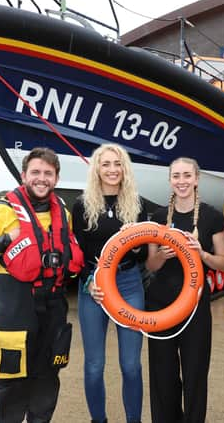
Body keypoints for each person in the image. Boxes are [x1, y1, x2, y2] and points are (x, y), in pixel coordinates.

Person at [0, 147, 84, 423]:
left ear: (56, 178)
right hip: (15, 304)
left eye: (48, 173)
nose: (41, 179)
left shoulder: (62, 213)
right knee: (12, 381)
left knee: (47, 378)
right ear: (23, 175)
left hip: (53, 304)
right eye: (36, 172)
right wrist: (1, 243)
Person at [144, 157, 224, 423]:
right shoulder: (158, 218)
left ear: (196, 178)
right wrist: (163, 255)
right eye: (176, 176)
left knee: (195, 374)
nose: (181, 181)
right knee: (163, 375)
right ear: (170, 180)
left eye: (186, 176)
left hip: (195, 307)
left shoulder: (212, 216)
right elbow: (151, 265)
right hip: (160, 305)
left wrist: (200, 253)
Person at [71, 143, 148, 423]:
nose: (112, 170)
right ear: (97, 169)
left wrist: (136, 239)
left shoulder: (136, 204)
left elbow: (143, 251)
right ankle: (98, 420)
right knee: (94, 365)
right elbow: (76, 253)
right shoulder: (81, 206)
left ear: (124, 168)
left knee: (130, 365)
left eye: (117, 164)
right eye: (106, 164)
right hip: (94, 285)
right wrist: (88, 281)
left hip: (128, 283)